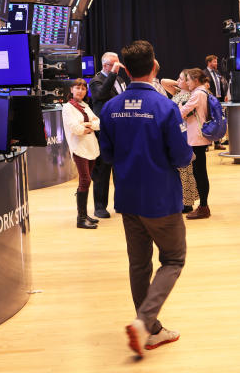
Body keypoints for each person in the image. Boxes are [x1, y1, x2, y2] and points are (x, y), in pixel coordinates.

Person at [98, 40, 192, 358]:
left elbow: (107, 155)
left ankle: (150, 331)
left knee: (139, 265)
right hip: (161, 200)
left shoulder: (110, 109)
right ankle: (144, 323)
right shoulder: (166, 108)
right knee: (173, 259)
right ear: (154, 67)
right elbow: (182, 157)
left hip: (126, 198)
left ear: (125, 69)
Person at [89, 52, 129, 218]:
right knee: (102, 169)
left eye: (118, 63)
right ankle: (100, 206)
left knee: (120, 168)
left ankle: (121, 202)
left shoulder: (120, 80)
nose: (118, 66)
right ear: (105, 65)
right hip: (104, 130)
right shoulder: (96, 81)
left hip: (120, 129)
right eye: (114, 64)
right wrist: (112, 74)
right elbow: (101, 95)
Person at [62, 78, 101, 229]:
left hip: (90, 147)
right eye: (77, 88)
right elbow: (76, 129)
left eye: (83, 89)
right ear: (71, 90)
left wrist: (87, 125)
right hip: (79, 148)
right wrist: (87, 126)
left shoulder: (85, 105)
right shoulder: (67, 108)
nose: (80, 91)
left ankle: (84, 214)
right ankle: (81, 218)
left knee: (86, 181)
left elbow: (99, 123)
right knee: (85, 181)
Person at [164, 70, 199, 213]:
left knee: (186, 170)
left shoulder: (191, 96)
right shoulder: (178, 92)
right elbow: (163, 82)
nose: (177, 80)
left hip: (186, 135)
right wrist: (180, 82)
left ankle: (187, 202)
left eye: (181, 78)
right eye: (177, 78)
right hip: (176, 135)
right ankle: (179, 200)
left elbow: (183, 115)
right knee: (178, 171)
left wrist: (185, 83)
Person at [180, 68, 213, 220]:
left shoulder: (198, 94)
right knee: (199, 172)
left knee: (200, 173)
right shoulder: (203, 92)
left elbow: (182, 112)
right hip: (199, 136)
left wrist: (180, 106)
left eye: (188, 80)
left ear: (195, 80)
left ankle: (204, 207)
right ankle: (203, 206)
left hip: (197, 137)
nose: (186, 82)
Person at [204, 55, 228, 150]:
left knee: (218, 120)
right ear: (209, 63)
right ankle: (206, 144)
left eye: (216, 62)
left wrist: (224, 95)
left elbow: (221, 84)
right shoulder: (204, 73)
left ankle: (218, 143)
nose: (216, 64)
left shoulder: (217, 72)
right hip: (210, 99)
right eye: (214, 62)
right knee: (209, 121)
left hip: (219, 99)